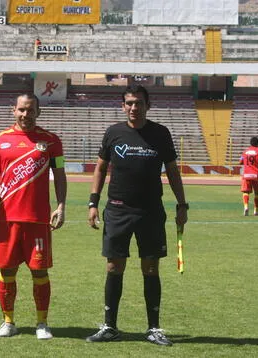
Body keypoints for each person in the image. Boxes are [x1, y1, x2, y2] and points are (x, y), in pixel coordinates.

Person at [86, 85, 188, 346]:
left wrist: (182, 204)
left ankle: (154, 328)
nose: (134, 107)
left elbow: (173, 171)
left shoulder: (160, 133)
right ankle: (109, 326)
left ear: (147, 105)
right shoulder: (114, 133)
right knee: (113, 266)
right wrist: (93, 202)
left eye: (138, 103)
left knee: (151, 268)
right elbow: (99, 169)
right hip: (118, 209)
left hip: (151, 211)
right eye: (129, 103)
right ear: (123, 106)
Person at [0, 93, 67, 340]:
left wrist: (61, 205)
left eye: (30, 110)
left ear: (38, 112)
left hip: (38, 219)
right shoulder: (1, 140)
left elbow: (60, 174)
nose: (25, 114)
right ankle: (8, 322)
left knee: (39, 272)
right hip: (8, 220)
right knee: (7, 270)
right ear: (14, 110)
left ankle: (42, 323)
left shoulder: (51, 141)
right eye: (21, 110)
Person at [239, 136, 258, 216]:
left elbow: (240, 161)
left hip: (247, 174)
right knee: (257, 193)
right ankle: (256, 211)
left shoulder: (245, 152)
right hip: (256, 175)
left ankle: (246, 207)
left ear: (250, 143)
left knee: (245, 192)